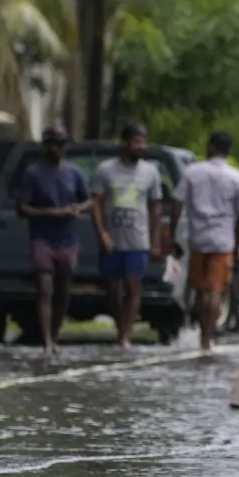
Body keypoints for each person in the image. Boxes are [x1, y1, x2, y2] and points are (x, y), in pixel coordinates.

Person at [170, 131, 239, 352]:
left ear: (212, 146)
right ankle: (207, 338)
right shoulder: (236, 177)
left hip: (198, 239)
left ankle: (200, 335)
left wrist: (172, 233)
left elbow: (177, 204)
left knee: (200, 289)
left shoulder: (192, 172)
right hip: (223, 242)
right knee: (215, 291)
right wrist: (238, 242)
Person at [16, 126, 91, 357]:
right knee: (45, 286)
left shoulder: (74, 172)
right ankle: (46, 340)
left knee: (63, 289)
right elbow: (22, 207)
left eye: (61, 144)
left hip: (68, 239)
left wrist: (78, 208)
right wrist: (51, 213)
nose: (57, 148)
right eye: (53, 143)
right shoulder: (33, 173)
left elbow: (89, 200)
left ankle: (55, 335)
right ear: (46, 145)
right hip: (42, 237)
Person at [91, 124, 163, 348]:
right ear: (124, 143)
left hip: (138, 240)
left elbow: (156, 208)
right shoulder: (105, 170)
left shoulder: (150, 172)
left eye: (143, 142)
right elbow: (95, 204)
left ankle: (124, 336)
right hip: (112, 240)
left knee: (133, 286)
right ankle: (120, 325)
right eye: (136, 142)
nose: (141, 146)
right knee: (112, 290)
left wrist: (155, 241)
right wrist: (101, 233)